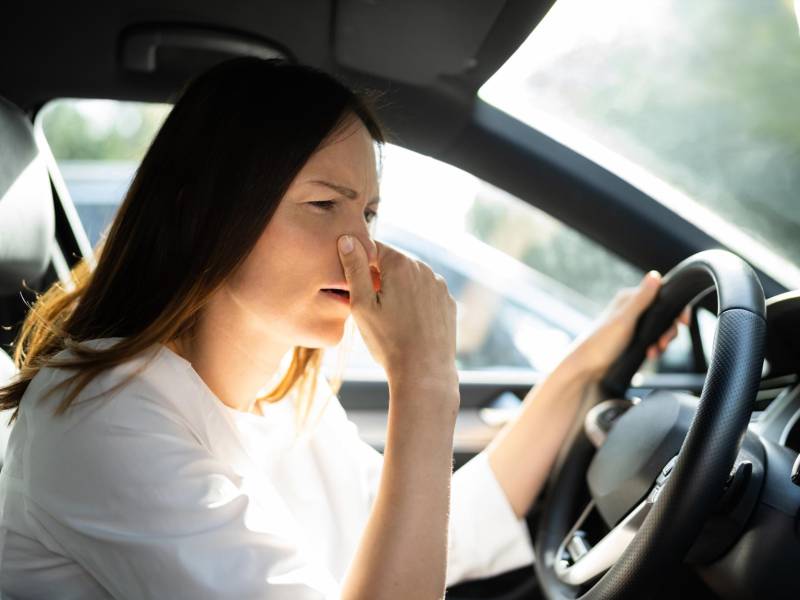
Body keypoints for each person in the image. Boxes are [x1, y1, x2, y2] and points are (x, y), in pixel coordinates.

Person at [0, 57, 686, 599]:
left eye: (370, 214)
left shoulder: (284, 392)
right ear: (200, 215)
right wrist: (423, 383)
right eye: (325, 204)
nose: (364, 249)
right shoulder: (102, 418)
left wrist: (584, 364)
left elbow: (439, 533)